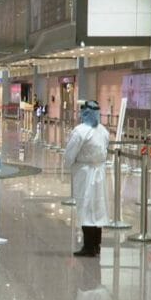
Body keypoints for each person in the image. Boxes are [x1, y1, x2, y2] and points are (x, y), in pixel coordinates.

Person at [64, 100, 110, 257]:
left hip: (85, 173)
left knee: (86, 208)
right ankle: (96, 245)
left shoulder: (80, 131)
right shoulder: (103, 130)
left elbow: (70, 153)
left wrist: (68, 165)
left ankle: (89, 246)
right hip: (99, 172)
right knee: (98, 208)